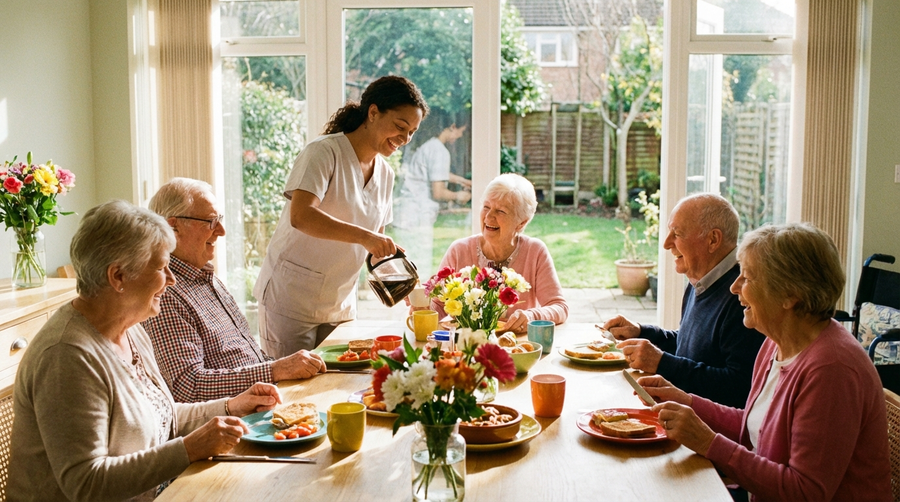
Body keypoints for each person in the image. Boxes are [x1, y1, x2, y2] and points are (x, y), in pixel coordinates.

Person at [8, 200, 282, 501]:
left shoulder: (131, 329)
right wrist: (188, 449)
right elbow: (86, 483)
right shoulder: (67, 356)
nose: (172, 280)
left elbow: (162, 417)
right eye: (162, 268)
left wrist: (231, 406)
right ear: (118, 276)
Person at [641, 222, 891, 501]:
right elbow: (755, 427)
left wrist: (709, 443)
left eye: (747, 278)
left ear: (790, 294)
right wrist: (685, 400)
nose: (734, 287)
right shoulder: (776, 342)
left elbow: (805, 492)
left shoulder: (832, 369)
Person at [254, 75, 429, 357]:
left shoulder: (385, 174)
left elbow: (373, 243)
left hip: (340, 303)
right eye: (400, 127)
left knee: (338, 378)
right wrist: (367, 237)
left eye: (412, 132)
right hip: (291, 300)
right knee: (292, 381)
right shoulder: (323, 152)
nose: (405, 139)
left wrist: (396, 267)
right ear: (373, 112)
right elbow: (301, 215)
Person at [142, 178, 326, 403]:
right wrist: (276, 370)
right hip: (238, 417)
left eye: (219, 220)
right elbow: (188, 387)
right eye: (211, 221)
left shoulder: (208, 279)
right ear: (173, 227)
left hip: (265, 401)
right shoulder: (165, 294)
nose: (221, 231)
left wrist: (286, 368)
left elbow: (248, 359)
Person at [604, 193, 765, 408]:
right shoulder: (702, 280)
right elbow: (693, 347)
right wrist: (641, 332)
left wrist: (662, 363)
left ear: (713, 240)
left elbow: (738, 387)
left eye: (677, 233)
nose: (666, 243)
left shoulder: (743, 295)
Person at [432, 173, 568, 334]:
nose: (489, 216)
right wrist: (420, 304)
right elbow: (438, 306)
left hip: (517, 346)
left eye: (501, 211)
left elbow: (559, 307)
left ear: (521, 222)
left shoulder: (535, 251)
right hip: (468, 345)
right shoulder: (459, 250)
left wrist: (531, 316)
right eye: (486, 207)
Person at [392, 121, 472, 278]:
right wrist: (458, 196)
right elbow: (438, 192)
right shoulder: (440, 151)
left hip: (408, 214)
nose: (460, 136)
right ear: (452, 126)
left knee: (408, 267)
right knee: (418, 268)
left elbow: (437, 172)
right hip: (417, 218)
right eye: (461, 131)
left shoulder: (430, 146)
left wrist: (463, 181)